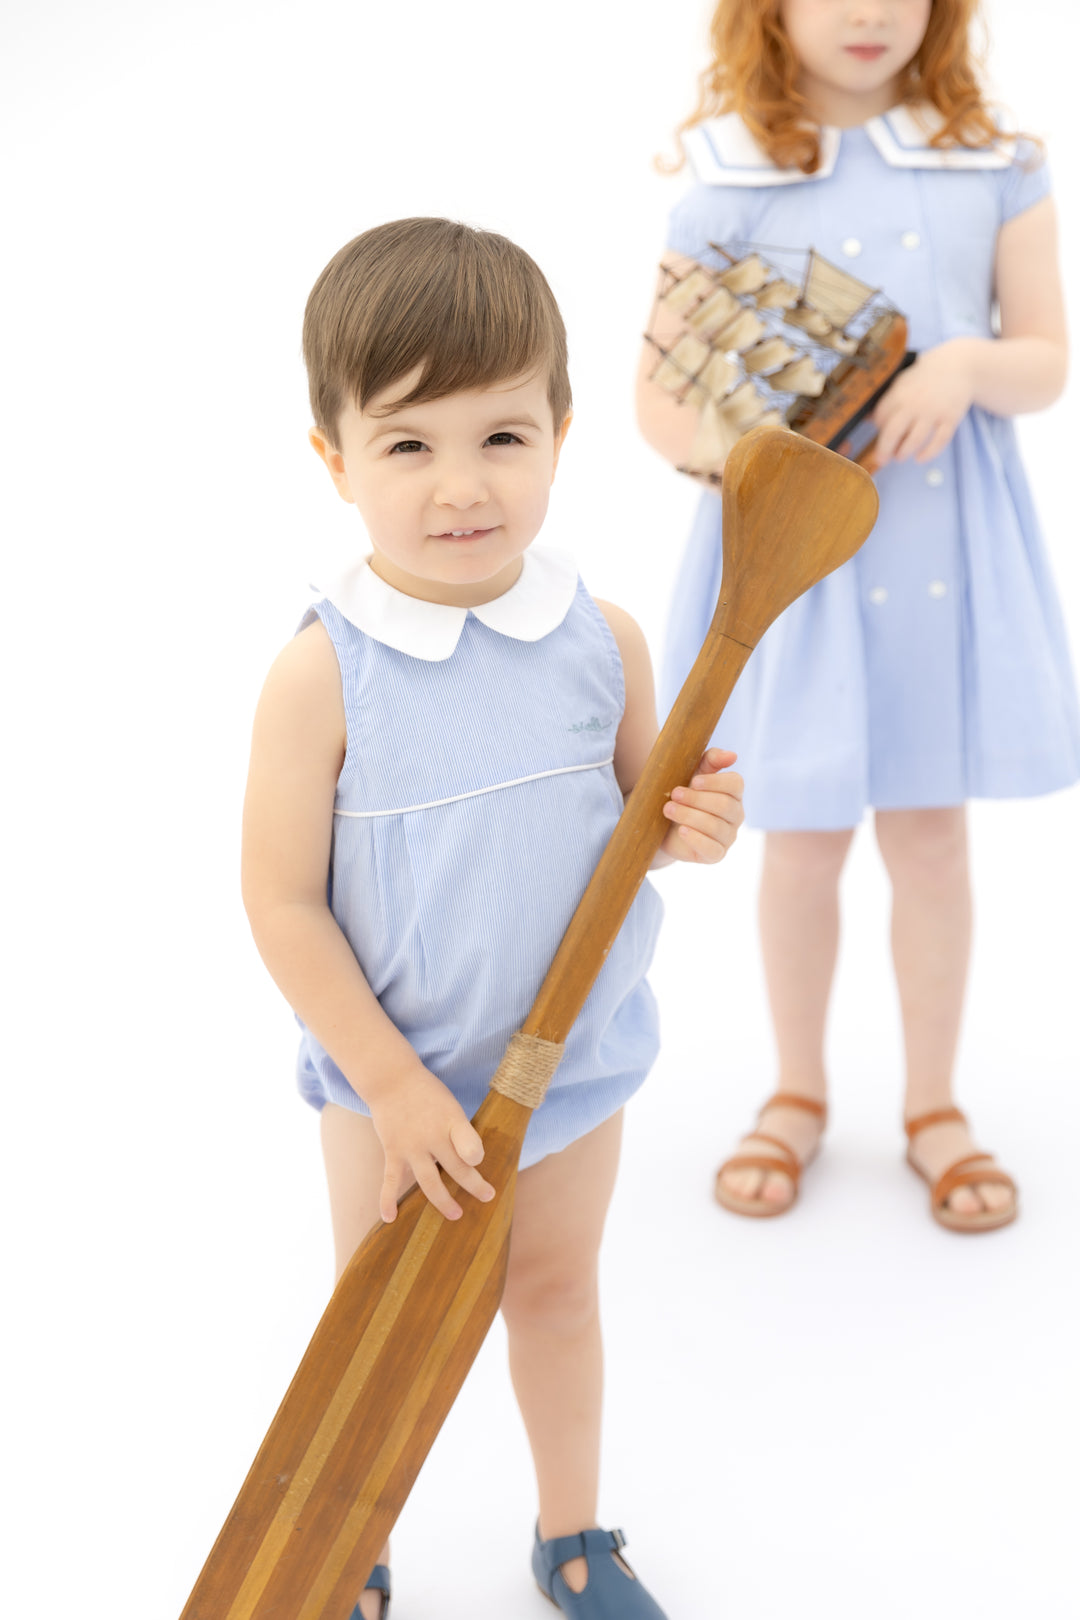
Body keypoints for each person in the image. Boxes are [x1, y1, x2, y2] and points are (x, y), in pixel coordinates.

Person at [241, 217, 745, 1620]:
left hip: (568, 1068)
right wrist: (394, 1088)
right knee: (382, 1341)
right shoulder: (322, 675)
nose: (461, 487)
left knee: (557, 1298)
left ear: (562, 434)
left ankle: (573, 1537)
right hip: (392, 1078)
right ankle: (354, 1539)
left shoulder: (606, 641)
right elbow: (280, 905)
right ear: (334, 461)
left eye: (502, 437)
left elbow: (641, 830)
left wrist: (698, 826)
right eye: (408, 446)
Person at [637, 0, 1077, 1232]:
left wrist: (966, 366)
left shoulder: (999, 161)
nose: (873, 11)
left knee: (932, 836)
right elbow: (660, 408)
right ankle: (796, 1092)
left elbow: (1047, 358)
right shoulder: (726, 177)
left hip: (946, 543)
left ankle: (936, 1105)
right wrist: (771, 434)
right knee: (805, 836)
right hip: (803, 566)